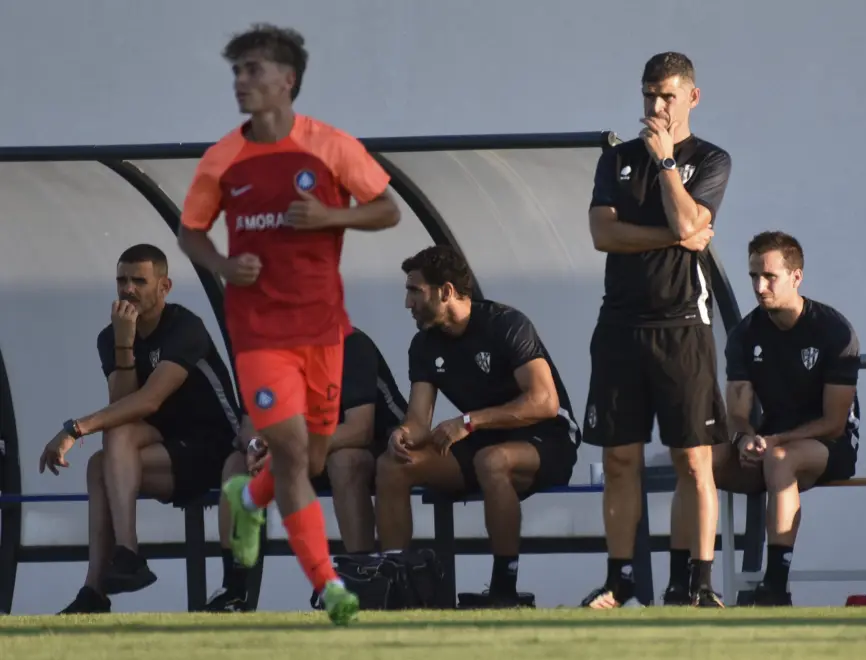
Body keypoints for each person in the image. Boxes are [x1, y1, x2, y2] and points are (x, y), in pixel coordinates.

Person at [176, 23, 401, 626]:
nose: (241, 83)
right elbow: (189, 231)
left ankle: (249, 498)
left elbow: (387, 207)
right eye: (236, 72)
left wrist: (328, 214)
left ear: (287, 80)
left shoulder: (330, 146)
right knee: (294, 454)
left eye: (252, 71)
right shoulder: (223, 157)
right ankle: (330, 588)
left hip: (325, 332)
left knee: (319, 452)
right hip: (258, 334)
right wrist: (225, 265)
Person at [581, 51, 732, 608]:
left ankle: (693, 581)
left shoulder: (711, 159)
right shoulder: (615, 159)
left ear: (692, 97)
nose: (656, 105)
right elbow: (602, 234)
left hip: (683, 326)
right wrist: (676, 233)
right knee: (620, 458)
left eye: (668, 95)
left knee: (693, 458)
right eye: (649, 94)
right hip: (619, 325)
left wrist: (667, 165)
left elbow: (695, 220)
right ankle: (619, 580)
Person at [39, 244, 243, 615]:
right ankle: (107, 577)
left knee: (105, 455)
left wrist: (74, 429)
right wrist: (123, 341)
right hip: (164, 444)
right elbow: (123, 405)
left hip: (217, 447)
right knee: (103, 456)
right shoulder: (112, 335)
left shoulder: (185, 327)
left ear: (164, 287)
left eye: (139, 280)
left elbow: (147, 401)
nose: (128, 289)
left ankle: (111, 575)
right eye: (121, 280)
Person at [375, 245, 580, 608]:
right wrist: (402, 435)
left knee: (492, 461)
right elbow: (418, 421)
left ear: (447, 291)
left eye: (415, 291)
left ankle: (504, 589)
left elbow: (544, 402)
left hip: (549, 437)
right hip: (482, 438)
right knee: (393, 464)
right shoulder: (424, 344)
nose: (408, 303)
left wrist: (470, 421)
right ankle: (394, 585)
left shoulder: (504, 324)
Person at [665, 231, 861, 606]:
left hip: (829, 446)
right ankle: (683, 584)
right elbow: (737, 411)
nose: (759, 286)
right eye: (754, 275)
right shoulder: (745, 333)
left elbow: (834, 422)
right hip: (769, 444)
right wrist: (744, 438)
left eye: (769, 276)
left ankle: (775, 587)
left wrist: (772, 442)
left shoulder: (834, 330)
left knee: (780, 458)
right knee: (697, 459)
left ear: (796, 277)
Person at [205, 328, 407, 612]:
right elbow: (251, 423)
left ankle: (362, 577)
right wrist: (254, 446)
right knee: (236, 464)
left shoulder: (350, 345)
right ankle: (235, 590)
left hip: (366, 446)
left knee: (344, 462)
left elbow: (360, 429)